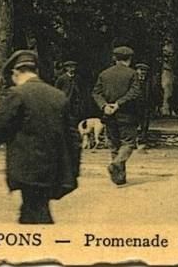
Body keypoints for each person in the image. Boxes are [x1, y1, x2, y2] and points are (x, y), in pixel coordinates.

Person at [0, 50, 80, 224]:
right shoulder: (58, 96)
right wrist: (73, 170)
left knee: (34, 213)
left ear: (16, 72)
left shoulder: (18, 94)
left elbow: (0, 127)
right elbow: (72, 136)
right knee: (37, 209)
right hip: (53, 168)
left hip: (27, 169)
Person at [92, 46, 141, 186]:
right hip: (127, 115)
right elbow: (135, 92)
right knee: (128, 143)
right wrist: (118, 104)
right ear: (129, 59)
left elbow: (96, 93)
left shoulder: (104, 74)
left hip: (108, 115)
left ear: (115, 58)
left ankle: (119, 178)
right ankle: (117, 163)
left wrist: (104, 106)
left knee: (114, 146)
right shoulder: (132, 73)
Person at [54, 60, 83, 124]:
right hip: (67, 100)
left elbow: (81, 89)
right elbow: (56, 90)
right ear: (66, 68)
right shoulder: (61, 79)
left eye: (74, 67)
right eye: (70, 67)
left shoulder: (77, 78)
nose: (72, 68)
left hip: (76, 102)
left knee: (76, 117)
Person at [133, 63, 153, 146]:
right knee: (133, 122)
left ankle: (143, 139)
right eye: (141, 70)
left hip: (146, 105)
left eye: (144, 70)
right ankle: (134, 140)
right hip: (134, 105)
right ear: (136, 71)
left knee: (145, 122)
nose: (143, 72)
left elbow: (152, 93)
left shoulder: (149, 81)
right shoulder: (132, 80)